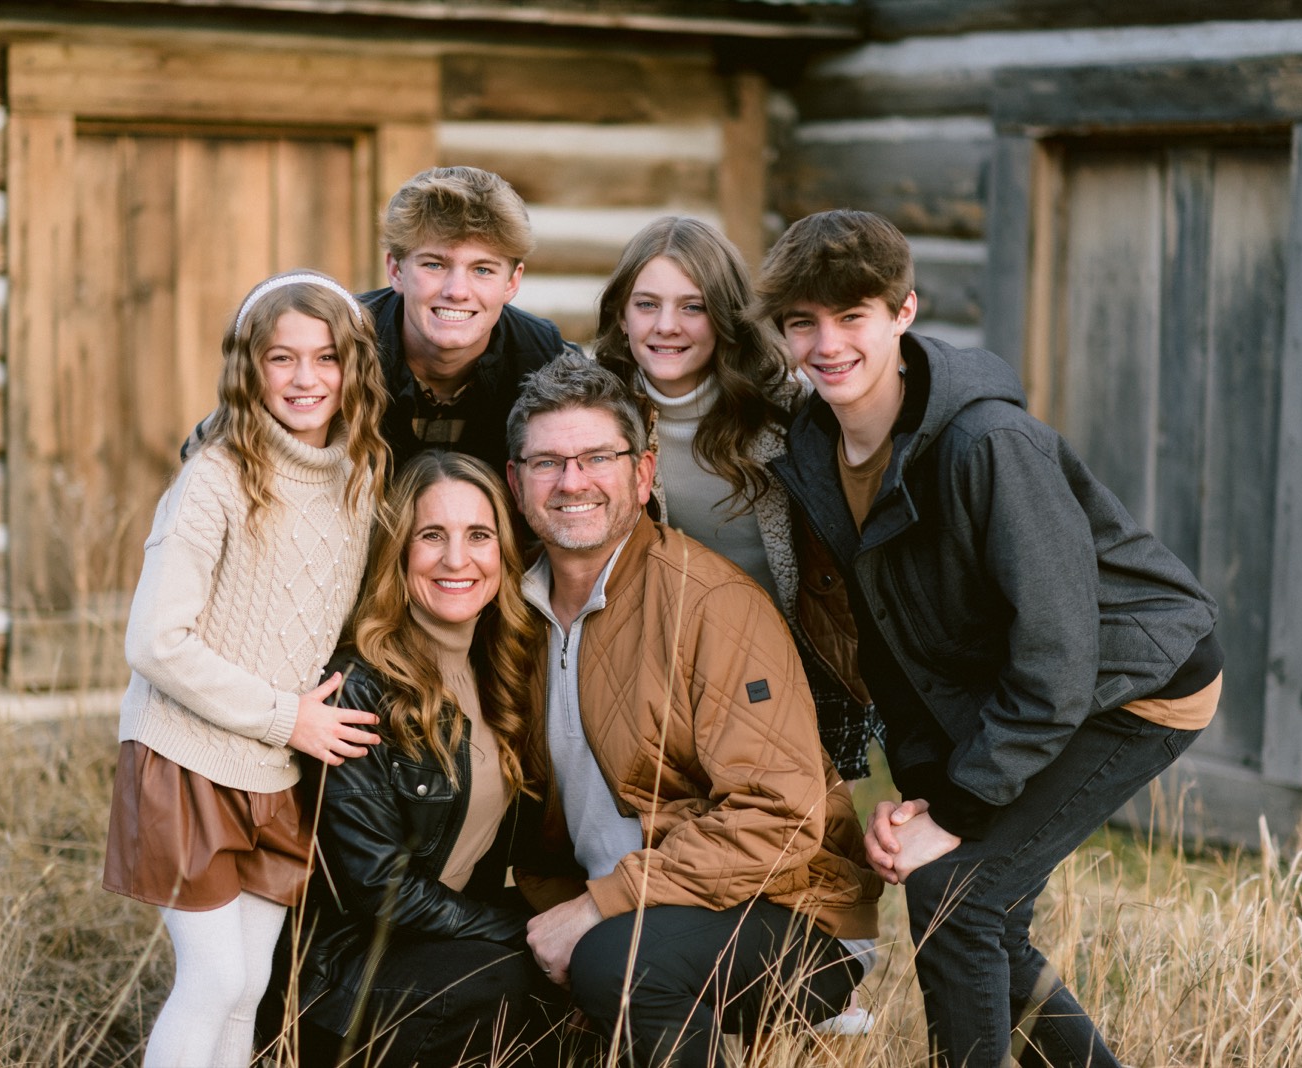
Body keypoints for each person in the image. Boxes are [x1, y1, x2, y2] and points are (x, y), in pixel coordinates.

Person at [754, 209, 1225, 1068]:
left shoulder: (985, 443)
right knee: (987, 911)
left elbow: (1057, 650)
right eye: (802, 323)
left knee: (955, 899)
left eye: (851, 316)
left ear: (903, 312)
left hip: (1134, 682)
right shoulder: (815, 448)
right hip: (1016, 687)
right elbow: (891, 637)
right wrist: (922, 792)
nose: (827, 344)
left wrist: (960, 810)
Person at [506, 354, 882, 1068]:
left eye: (596, 458)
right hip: (628, 904)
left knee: (615, 962)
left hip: (793, 914)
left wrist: (598, 906)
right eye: (547, 461)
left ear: (643, 476)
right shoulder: (513, 614)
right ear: (515, 482)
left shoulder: (710, 604)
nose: (572, 481)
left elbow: (781, 818)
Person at [103, 270, 389, 1067]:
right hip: (185, 756)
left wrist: (294, 728)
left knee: (252, 980)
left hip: (274, 770)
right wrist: (286, 716)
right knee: (213, 974)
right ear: (248, 367)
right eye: (281, 358)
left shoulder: (360, 479)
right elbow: (155, 643)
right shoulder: (218, 479)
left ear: (353, 368)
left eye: (326, 357)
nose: (305, 379)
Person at [270, 451, 561, 1067]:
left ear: (504, 554)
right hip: (349, 972)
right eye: (432, 536)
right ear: (398, 554)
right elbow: (378, 888)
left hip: (443, 943)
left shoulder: (505, 670)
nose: (457, 559)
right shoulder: (359, 687)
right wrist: (520, 931)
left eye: (478, 535)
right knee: (514, 974)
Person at [591, 216, 875, 782]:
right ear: (622, 317)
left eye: (692, 307)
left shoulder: (790, 413)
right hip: (659, 668)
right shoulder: (591, 415)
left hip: (792, 659)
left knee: (809, 836)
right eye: (647, 305)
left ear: (724, 318)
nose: (666, 326)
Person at [181, 166, 578, 476]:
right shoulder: (337, 336)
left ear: (512, 282)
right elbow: (204, 446)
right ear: (396, 270)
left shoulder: (547, 357)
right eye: (435, 264)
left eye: (483, 270)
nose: (457, 290)